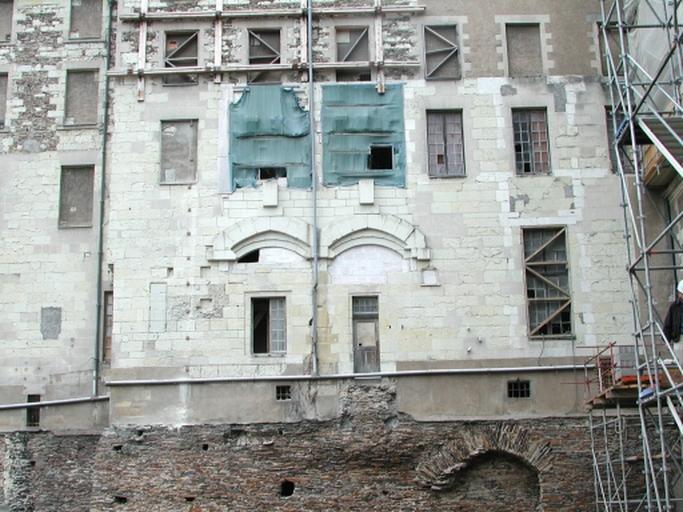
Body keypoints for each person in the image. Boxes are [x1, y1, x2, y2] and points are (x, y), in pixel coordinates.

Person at [663, 280, 683, 346]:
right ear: (679, 293)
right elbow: (668, 323)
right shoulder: (674, 306)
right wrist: (666, 339)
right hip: (679, 339)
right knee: (678, 356)